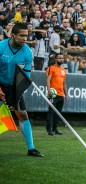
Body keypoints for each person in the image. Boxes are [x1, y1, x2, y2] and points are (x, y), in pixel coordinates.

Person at [0, 23, 43, 157]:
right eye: (22, 35)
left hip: (13, 86)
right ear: (13, 35)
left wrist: (19, 92)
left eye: (27, 35)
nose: (25, 38)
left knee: (23, 115)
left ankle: (31, 148)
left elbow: (26, 75)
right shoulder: (1, 47)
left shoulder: (27, 52)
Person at [46, 53, 68, 136]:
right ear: (55, 59)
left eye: (62, 58)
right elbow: (48, 79)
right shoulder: (51, 68)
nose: (61, 59)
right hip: (53, 94)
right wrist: (49, 90)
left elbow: (64, 83)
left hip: (61, 94)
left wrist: (66, 94)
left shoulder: (63, 70)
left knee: (58, 113)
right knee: (51, 112)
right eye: (59, 58)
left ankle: (55, 129)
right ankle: (49, 129)